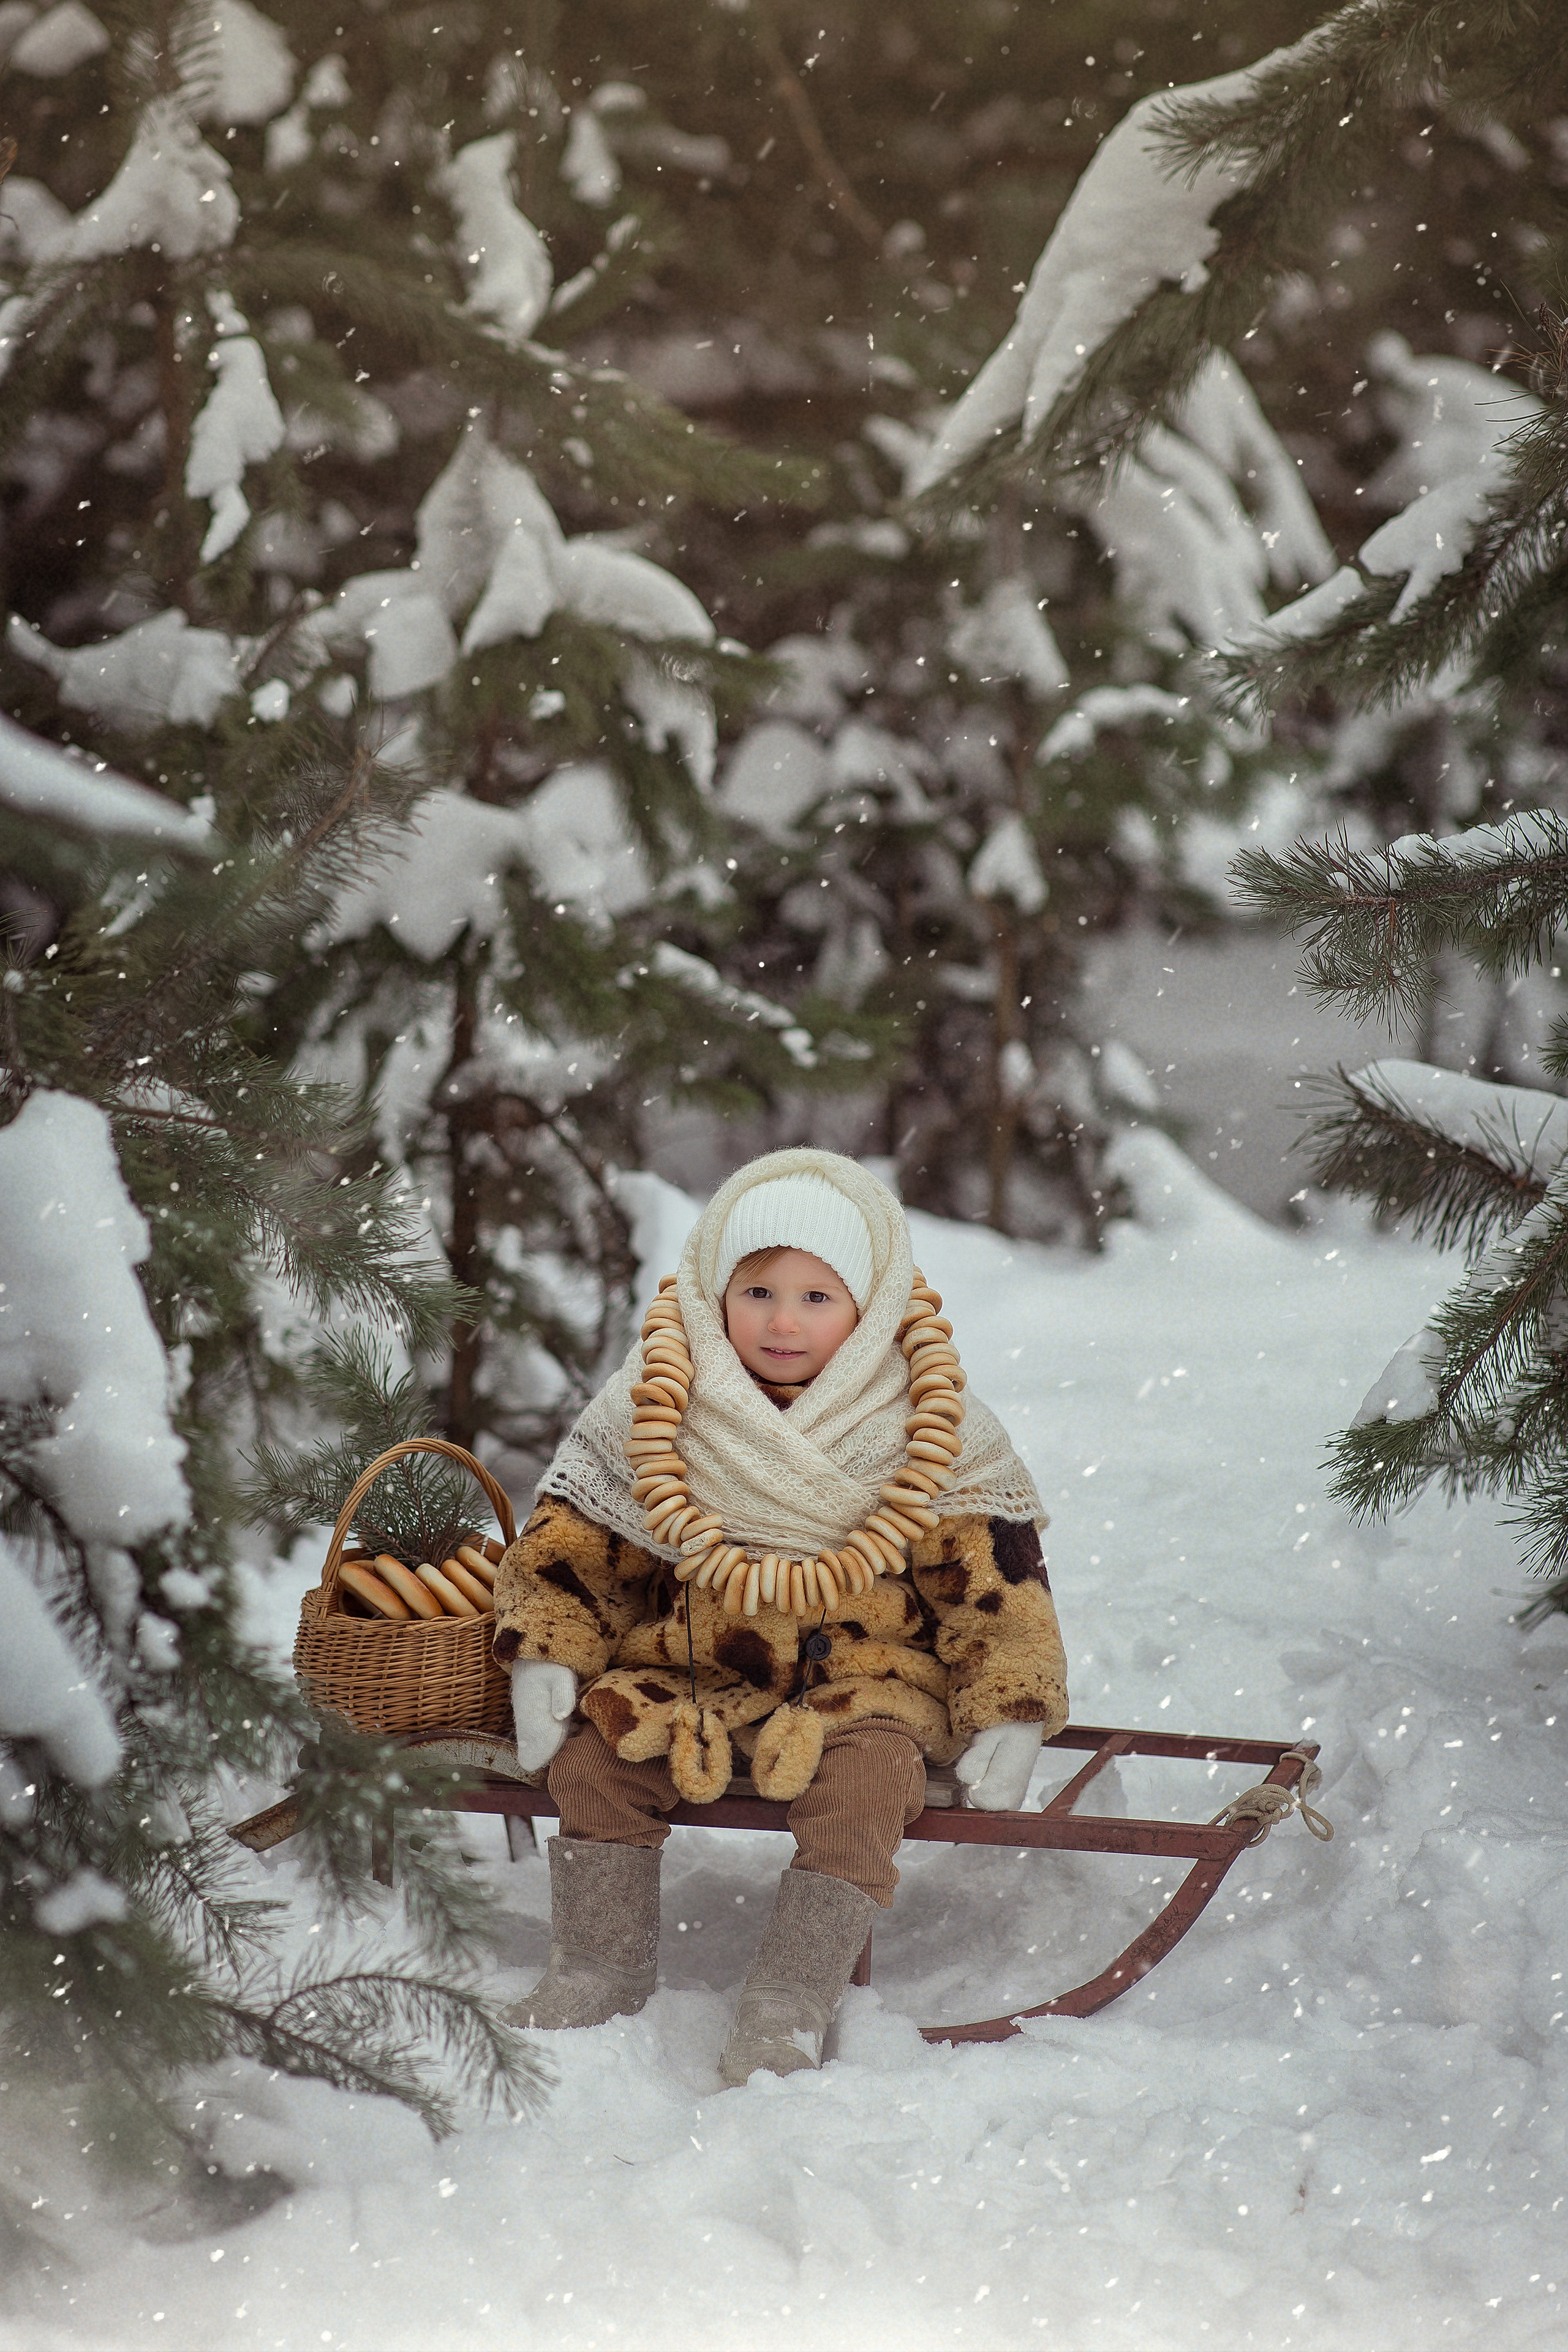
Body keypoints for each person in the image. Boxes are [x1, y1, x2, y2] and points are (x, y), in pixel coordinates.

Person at [492, 1147, 1068, 2084]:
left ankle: (790, 1999)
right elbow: (579, 1544)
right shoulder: (660, 1399)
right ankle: (600, 1964)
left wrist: (1011, 1698)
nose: (784, 1321)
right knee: (595, 1762)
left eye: (817, 1297)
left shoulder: (930, 1418)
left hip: (863, 1685)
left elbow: (993, 1579)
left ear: (869, 1305)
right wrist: (550, 1646)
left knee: (869, 1787)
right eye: (758, 1293)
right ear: (716, 1291)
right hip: (690, 1672)